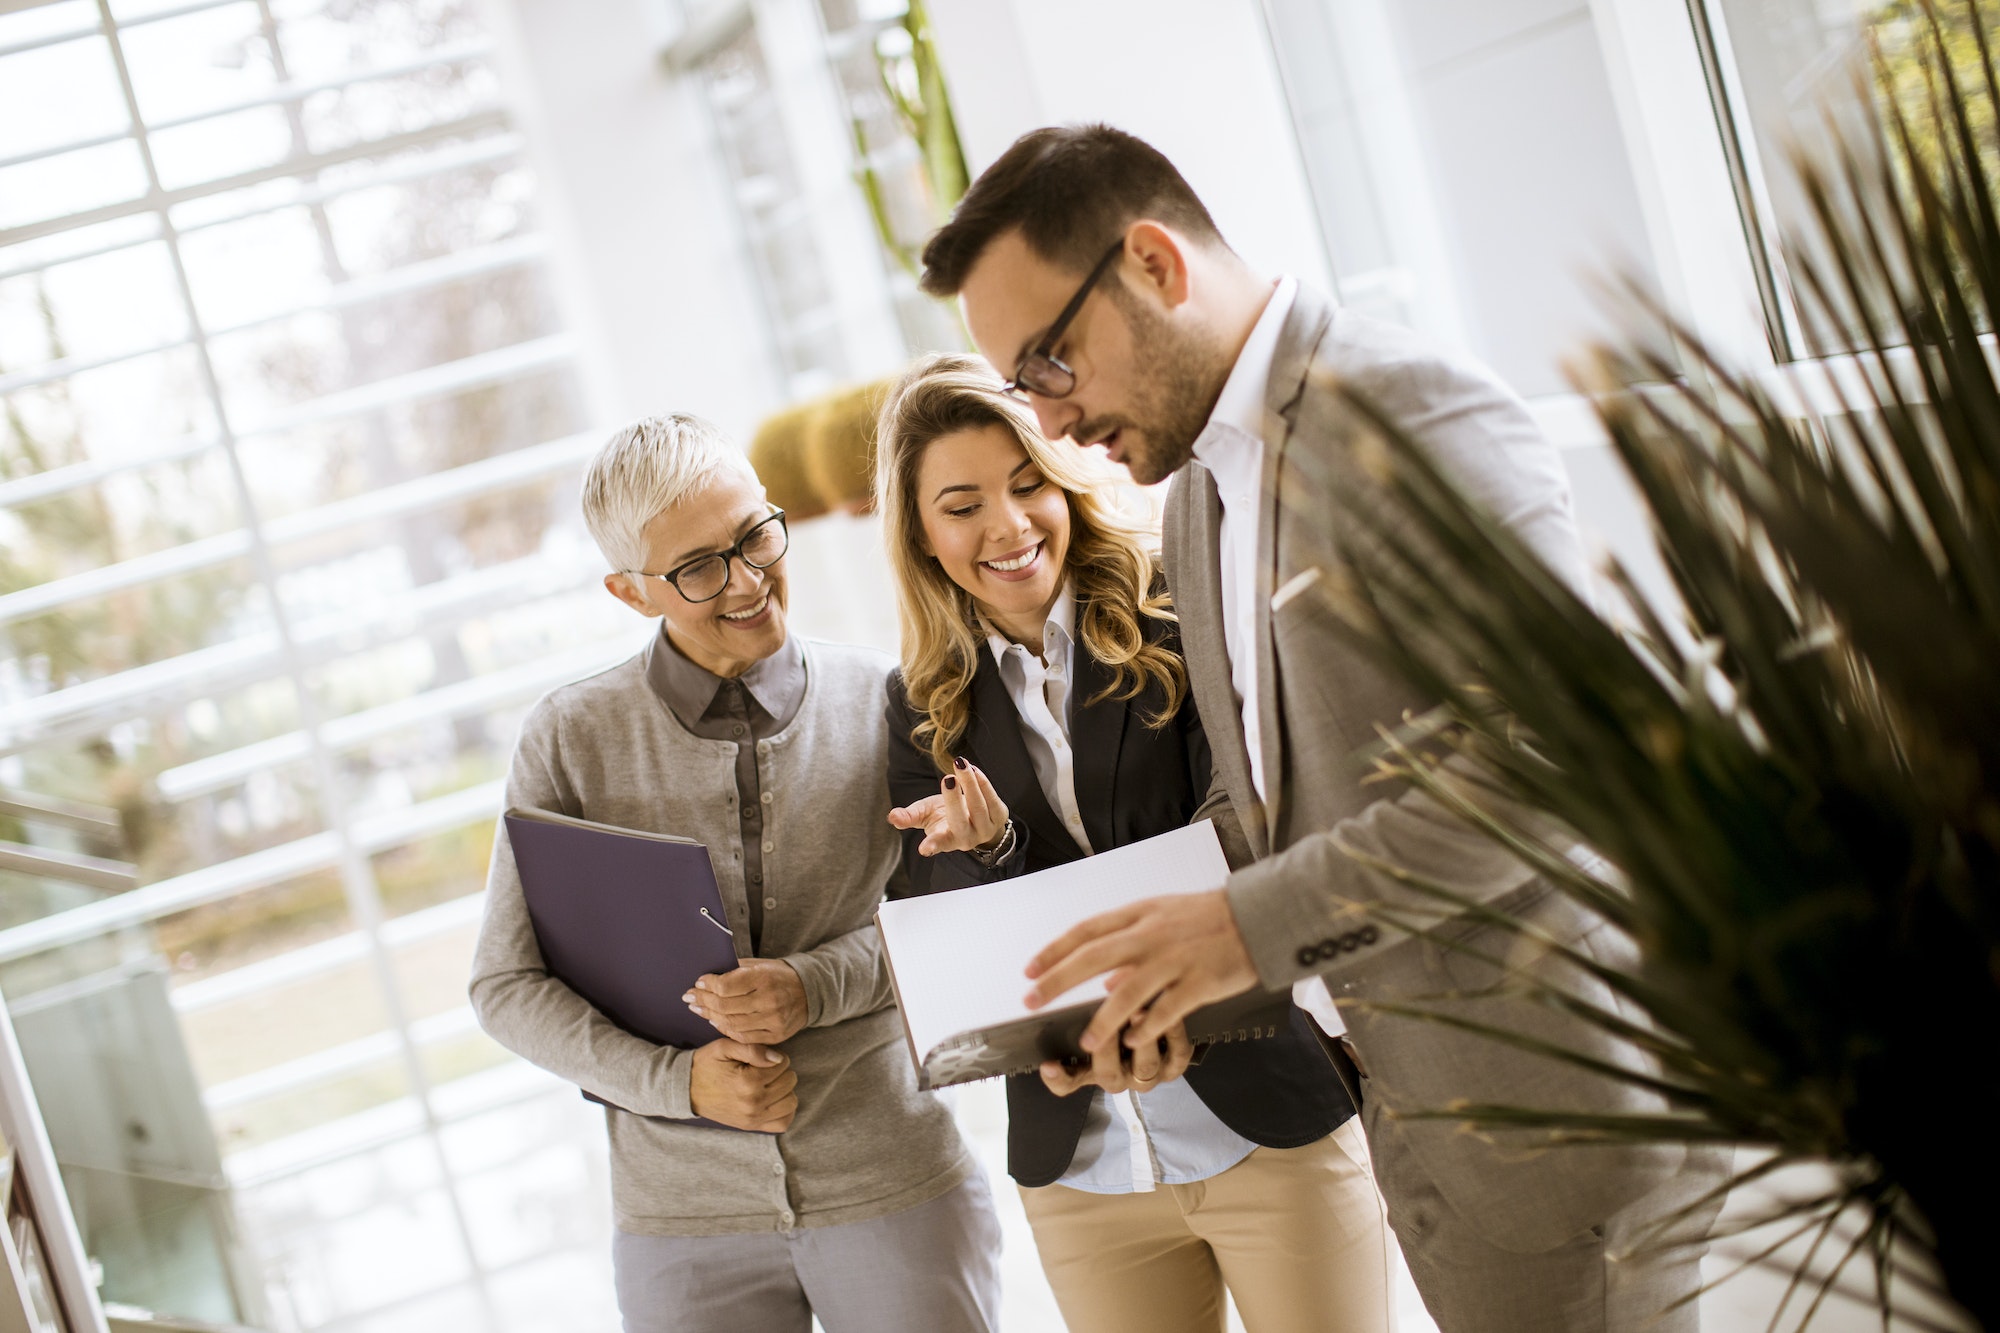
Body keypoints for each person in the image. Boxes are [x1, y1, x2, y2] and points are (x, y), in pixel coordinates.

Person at [915, 125, 1722, 1333]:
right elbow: (1267, 804)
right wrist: (1147, 993)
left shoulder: (1403, 413)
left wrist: (1239, 929)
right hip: (1417, 1121)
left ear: (1153, 264)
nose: (1050, 414)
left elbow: (1555, 760)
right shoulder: (1196, 490)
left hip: (1560, 1117)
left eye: (1049, 361)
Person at [873, 353, 1392, 1333]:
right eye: (962, 504)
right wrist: (989, 851)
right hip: (1082, 1174)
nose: (1008, 525)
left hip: (1265, 1120)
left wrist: (1136, 999)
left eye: (1027, 484)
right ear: (920, 535)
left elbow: (1240, 831)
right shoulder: (915, 712)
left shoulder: (1174, 612)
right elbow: (969, 950)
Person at [468, 415, 1001, 1333]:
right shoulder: (570, 740)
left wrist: (813, 987)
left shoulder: (888, 701)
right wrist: (678, 1083)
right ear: (631, 592)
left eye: (756, 535)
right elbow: (506, 985)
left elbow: (957, 924)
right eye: (699, 567)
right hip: (681, 1226)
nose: (750, 581)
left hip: (892, 1181)